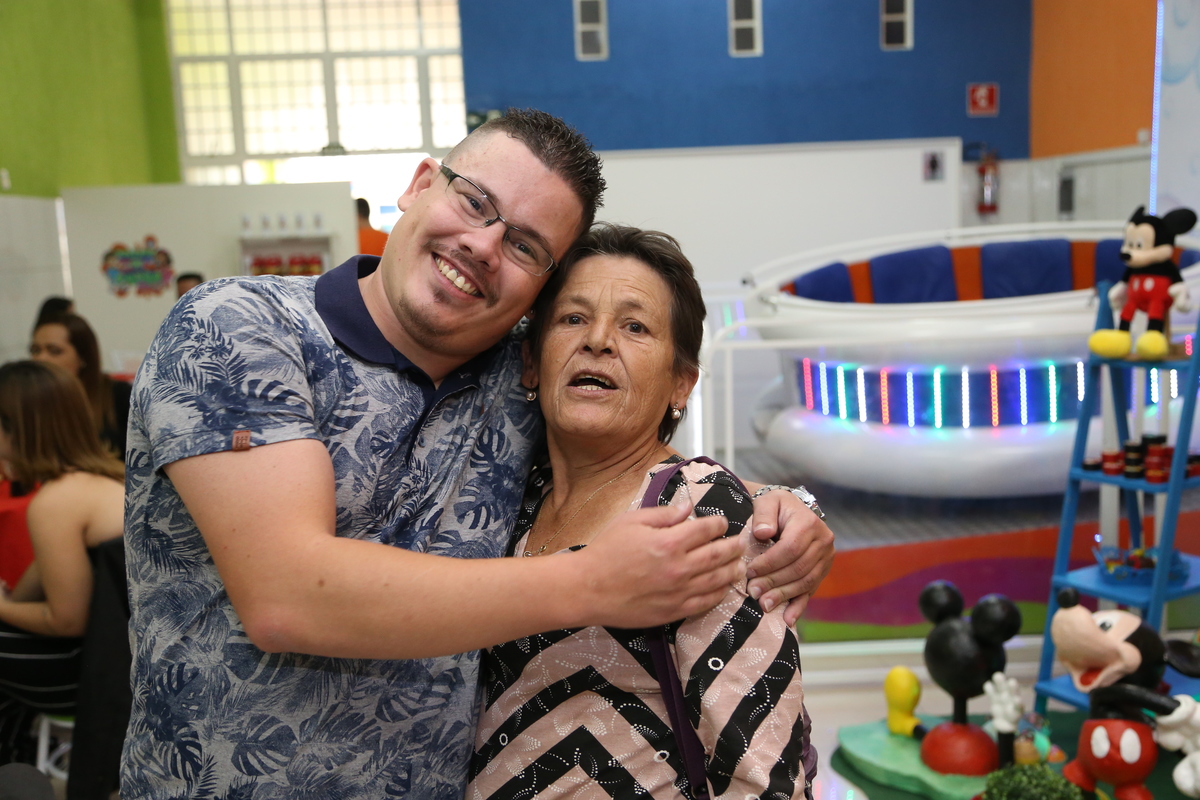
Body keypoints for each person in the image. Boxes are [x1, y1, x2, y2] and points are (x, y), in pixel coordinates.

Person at [123, 109, 834, 798]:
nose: (484, 246)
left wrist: (782, 508)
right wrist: (590, 581)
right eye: (474, 202)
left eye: (525, 245)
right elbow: (285, 595)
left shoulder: (515, 379)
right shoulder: (240, 328)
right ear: (418, 185)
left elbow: (624, 448)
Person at [468, 224, 816, 799]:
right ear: (531, 363)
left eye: (635, 327)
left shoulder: (700, 512)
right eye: (573, 318)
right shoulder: (511, 503)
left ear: (681, 384)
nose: (598, 340)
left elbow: (764, 777)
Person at [0, 361, 124, 763]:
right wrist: (11, 603)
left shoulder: (56, 502)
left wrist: (2, 607)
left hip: (97, 676)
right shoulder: (106, 478)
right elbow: (46, 572)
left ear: (16, 429)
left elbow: (67, 621)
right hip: (124, 658)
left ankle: (14, 765)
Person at [29, 313, 132, 458]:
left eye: (54, 351)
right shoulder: (28, 399)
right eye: (35, 350)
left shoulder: (119, 395)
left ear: (83, 357)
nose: (40, 358)